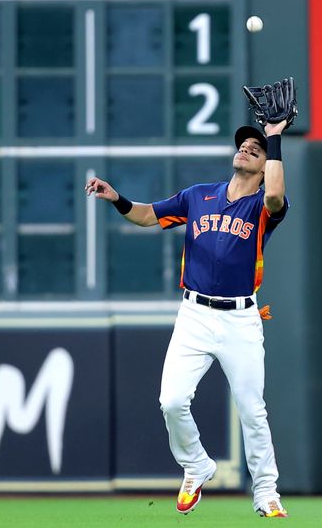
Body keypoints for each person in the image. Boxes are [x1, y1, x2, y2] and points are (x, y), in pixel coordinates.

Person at [85, 121, 290, 518]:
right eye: (244, 144)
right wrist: (117, 199)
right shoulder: (199, 196)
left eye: (256, 148)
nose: (247, 148)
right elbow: (147, 217)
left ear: (267, 166)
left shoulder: (263, 205)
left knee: (252, 409)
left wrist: (276, 137)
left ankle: (266, 492)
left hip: (240, 319)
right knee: (172, 401)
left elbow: (278, 194)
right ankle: (196, 464)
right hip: (194, 314)